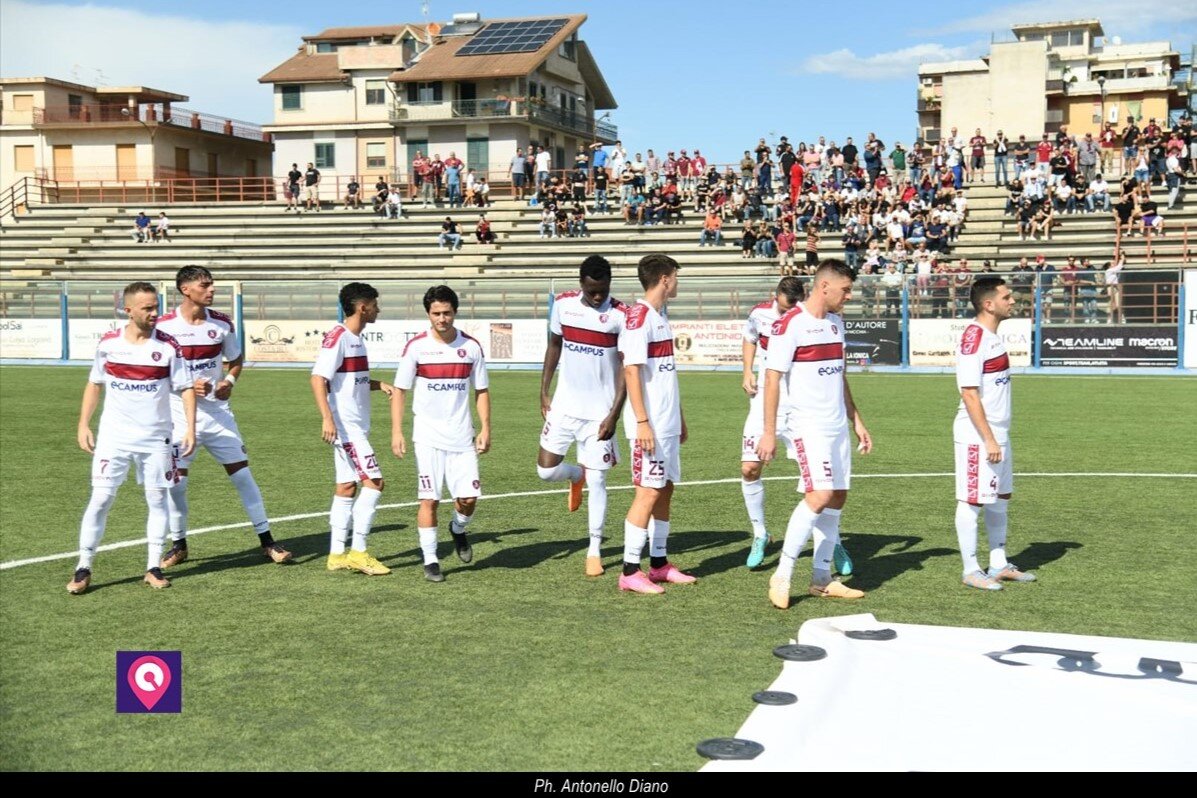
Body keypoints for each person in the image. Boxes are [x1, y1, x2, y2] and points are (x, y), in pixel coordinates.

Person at [156, 266, 292, 571]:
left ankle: (267, 541)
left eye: (212, 284)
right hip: (178, 416)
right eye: (205, 285)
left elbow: (236, 361)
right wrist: (189, 386)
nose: (212, 289)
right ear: (185, 289)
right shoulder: (163, 327)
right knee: (176, 484)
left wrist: (228, 383)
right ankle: (179, 544)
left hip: (218, 415)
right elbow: (156, 372)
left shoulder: (222, 324)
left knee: (243, 476)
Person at [757, 259, 873, 609]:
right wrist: (768, 432)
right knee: (820, 494)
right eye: (846, 290)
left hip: (837, 424)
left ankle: (822, 579)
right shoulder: (789, 325)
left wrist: (856, 420)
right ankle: (782, 573)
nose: (849, 297)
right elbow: (772, 379)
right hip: (808, 426)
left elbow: (839, 376)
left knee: (837, 498)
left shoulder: (836, 324)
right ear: (824, 287)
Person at [68, 282, 196, 595]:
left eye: (156, 307)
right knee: (100, 499)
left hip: (157, 439)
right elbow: (94, 383)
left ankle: (153, 566)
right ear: (128, 310)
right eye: (147, 308)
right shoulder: (109, 344)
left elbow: (186, 387)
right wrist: (84, 423)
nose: (155, 313)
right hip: (114, 438)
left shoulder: (168, 346)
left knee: (156, 499)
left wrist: (190, 428)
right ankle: (83, 566)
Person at [740, 277, 856, 573]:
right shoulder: (761, 315)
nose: (789, 308)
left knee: (823, 486)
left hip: (806, 410)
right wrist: (747, 371)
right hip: (769, 403)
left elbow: (838, 373)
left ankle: (832, 542)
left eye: (794, 302)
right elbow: (750, 338)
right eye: (784, 303)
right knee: (749, 468)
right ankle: (760, 534)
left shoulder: (825, 321)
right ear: (775, 297)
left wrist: (856, 418)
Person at [391, 285, 490, 583]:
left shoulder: (471, 347)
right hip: (427, 438)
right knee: (429, 500)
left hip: (462, 437)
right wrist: (397, 431)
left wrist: (486, 427)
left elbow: (481, 390)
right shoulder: (416, 348)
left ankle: (458, 529)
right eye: (436, 313)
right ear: (428, 314)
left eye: (447, 313)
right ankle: (431, 560)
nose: (442, 319)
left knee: (469, 499)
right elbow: (399, 391)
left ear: (455, 312)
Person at [537, 257, 628, 577]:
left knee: (600, 479)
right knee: (545, 472)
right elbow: (553, 345)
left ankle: (594, 549)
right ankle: (576, 475)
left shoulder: (621, 315)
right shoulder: (563, 306)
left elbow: (626, 370)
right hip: (564, 408)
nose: (599, 297)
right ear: (581, 285)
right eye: (592, 291)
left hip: (599, 416)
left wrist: (614, 414)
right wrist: (544, 389)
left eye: (603, 291)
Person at [616, 254, 695, 594]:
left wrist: (678, 417)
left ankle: (659, 564)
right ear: (665, 278)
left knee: (664, 487)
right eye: (675, 276)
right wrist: (643, 421)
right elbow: (631, 370)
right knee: (647, 491)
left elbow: (662, 377)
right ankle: (629, 570)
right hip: (648, 425)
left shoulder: (659, 317)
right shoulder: (638, 317)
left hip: (666, 423)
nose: (677, 281)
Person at [953, 277, 1035, 591]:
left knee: (1001, 497)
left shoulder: (993, 336)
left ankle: (998, 563)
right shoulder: (974, 338)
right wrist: (987, 438)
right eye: (1006, 296)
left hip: (999, 431)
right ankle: (970, 569)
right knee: (972, 501)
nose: (1012, 301)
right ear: (988, 304)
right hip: (977, 434)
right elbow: (969, 393)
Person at [310, 283, 394, 576]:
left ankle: (336, 555)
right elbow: (318, 378)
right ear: (362, 307)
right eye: (374, 304)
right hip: (347, 428)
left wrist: (377, 384)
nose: (377, 309)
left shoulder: (355, 339)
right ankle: (359, 551)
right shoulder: (340, 337)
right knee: (374, 482)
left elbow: (348, 380)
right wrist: (327, 418)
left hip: (354, 425)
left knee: (346, 487)